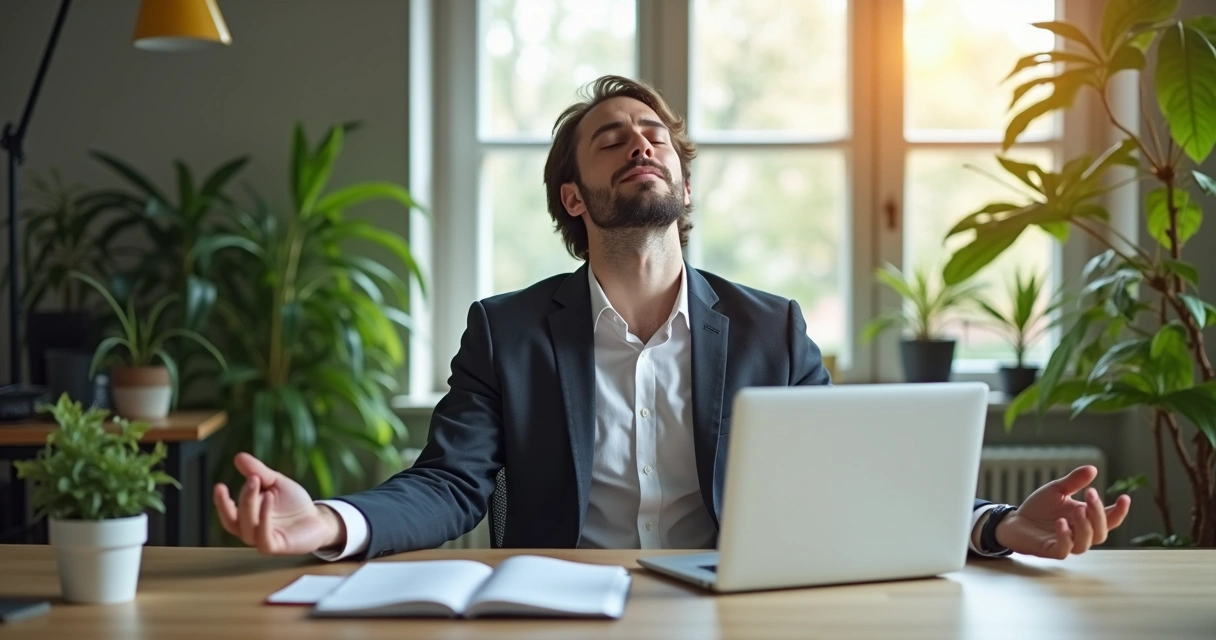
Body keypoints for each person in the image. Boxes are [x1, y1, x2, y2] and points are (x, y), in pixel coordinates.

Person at [214, 75, 1131, 562]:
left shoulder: (772, 330)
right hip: (559, 616)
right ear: (574, 198)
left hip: (728, 614)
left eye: (655, 136)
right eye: (611, 138)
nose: (641, 143)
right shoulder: (507, 331)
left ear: (682, 181)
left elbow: (850, 486)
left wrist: (999, 527)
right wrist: (331, 523)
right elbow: (449, 485)